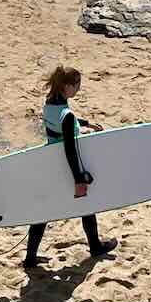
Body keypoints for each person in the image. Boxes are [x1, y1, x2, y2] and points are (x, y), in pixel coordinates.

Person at [24, 66, 119, 270]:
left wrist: (87, 124)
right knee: (87, 205)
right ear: (67, 86)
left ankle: (30, 258)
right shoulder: (66, 115)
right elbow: (70, 149)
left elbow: (63, 122)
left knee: (43, 212)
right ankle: (95, 246)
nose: (78, 89)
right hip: (65, 167)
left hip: (50, 164)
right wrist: (79, 178)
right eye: (77, 85)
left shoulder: (50, 102)